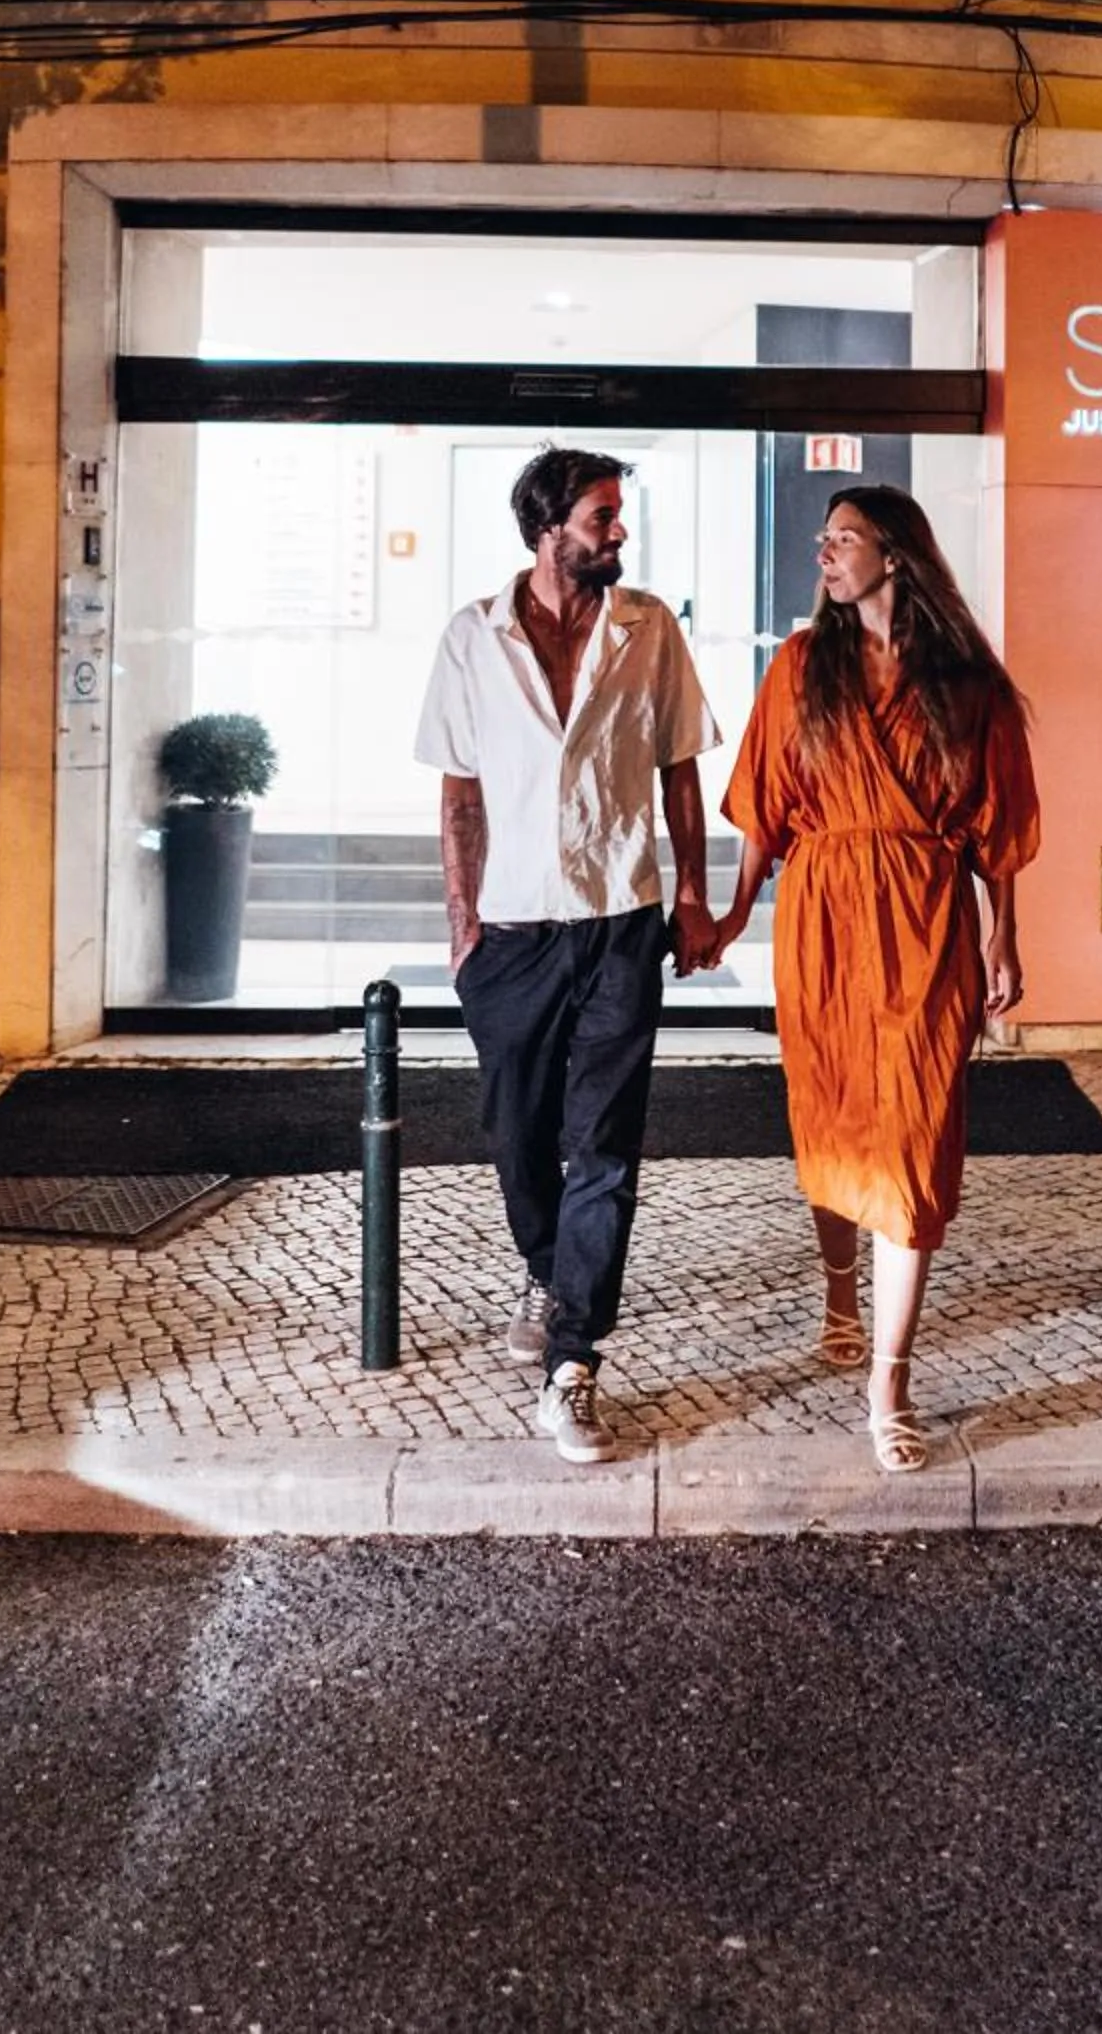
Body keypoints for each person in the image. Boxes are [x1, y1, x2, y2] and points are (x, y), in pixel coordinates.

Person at [709, 484, 1039, 1474]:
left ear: (894, 554)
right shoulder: (801, 667)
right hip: (821, 913)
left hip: (927, 914)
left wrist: (1001, 941)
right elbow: (763, 802)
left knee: (916, 1131)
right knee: (836, 1111)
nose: (824, 552)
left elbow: (996, 828)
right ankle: (838, 1288)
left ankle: (887, 1379)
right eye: (822, 539)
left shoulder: (967, 683)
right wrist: (731, 912)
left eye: (843, 539)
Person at [417, 446, 719, 1463]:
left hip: (620, 921)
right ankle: (552, 1276)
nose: (616, 533)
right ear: (546, 527)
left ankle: (572, 1362)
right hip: (508, 935)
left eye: (616, 516)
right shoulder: (472, 637)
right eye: (600, 517)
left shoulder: (648, 629)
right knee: (517, 1137)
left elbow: (679, 765)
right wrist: (461, 928)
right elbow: (458, 791)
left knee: (605, 1148)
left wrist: (689, 890)